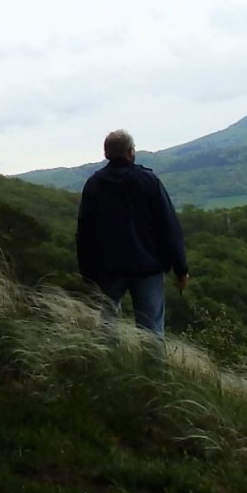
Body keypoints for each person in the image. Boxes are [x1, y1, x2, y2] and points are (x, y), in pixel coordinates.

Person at [75, 129, 189, 342]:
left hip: (108, 269)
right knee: (151, 331)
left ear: (106, 154)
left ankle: (108, 369)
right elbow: (169, 227)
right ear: (130, 152)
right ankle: (154, 374)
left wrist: (87, 274)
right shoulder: (149, 181)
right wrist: (181, 269)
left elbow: (84, 233)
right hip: (148, 269)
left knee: (107, 327)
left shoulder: (94, 185)